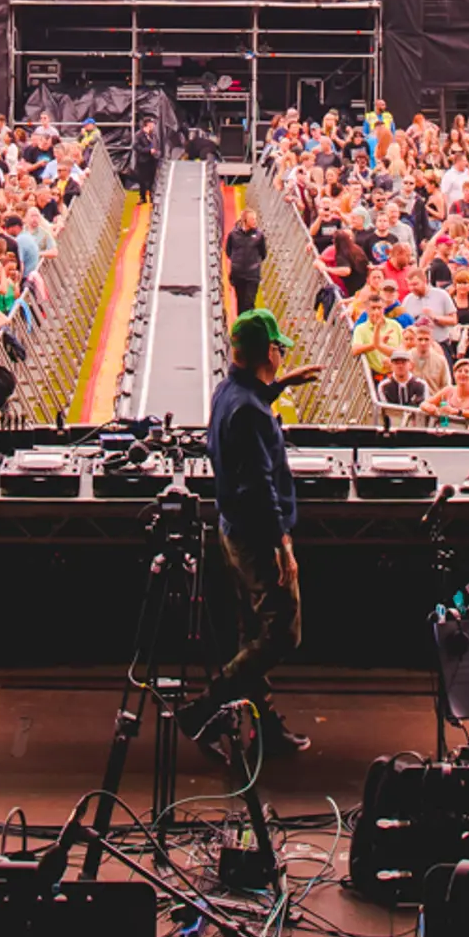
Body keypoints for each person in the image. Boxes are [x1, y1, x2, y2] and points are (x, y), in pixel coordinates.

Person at [200, 307, 307, 757]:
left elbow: (248, 408)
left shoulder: (229, 392)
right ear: (266, 352)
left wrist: (280, 386)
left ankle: (263, 729)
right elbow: (261, 483)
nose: (282, 353)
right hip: (258, 536)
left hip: (234, 529)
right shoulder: (251, 412)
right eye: (278, 347)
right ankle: (206, 710)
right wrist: (282, 543)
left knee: (252, 633)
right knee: (282, 633)